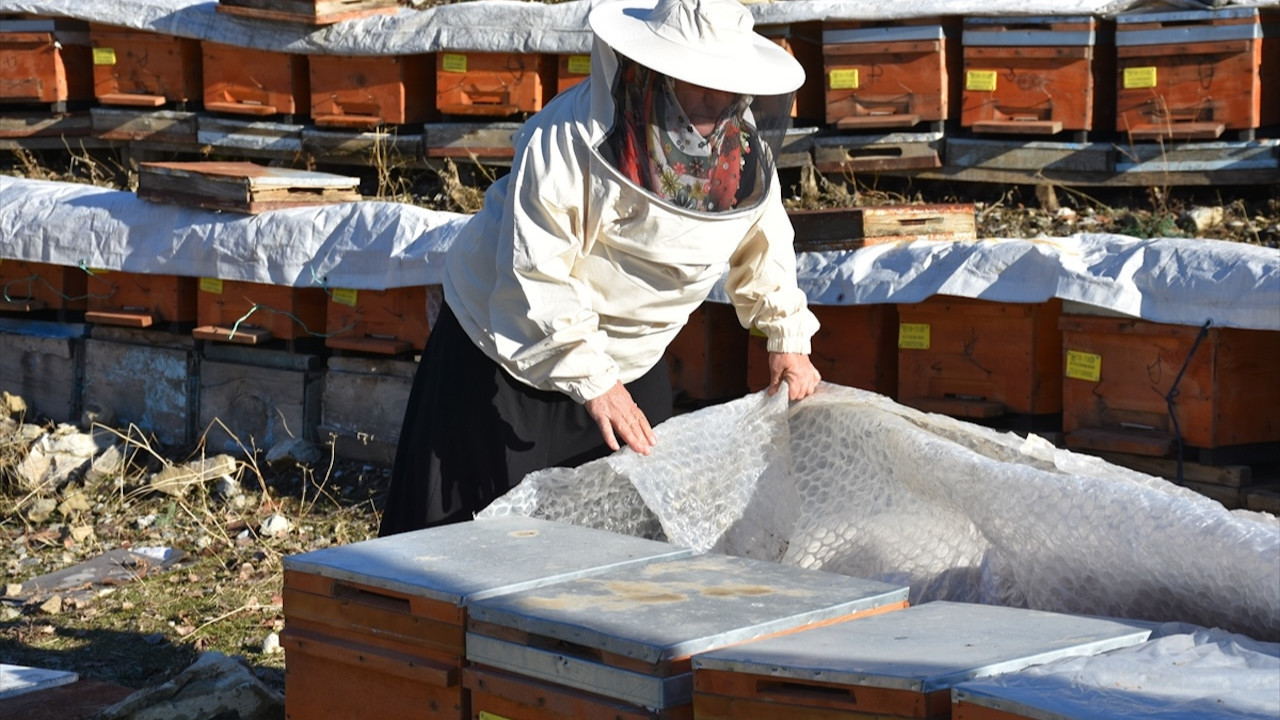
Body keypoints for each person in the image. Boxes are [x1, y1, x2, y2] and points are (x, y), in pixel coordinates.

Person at [378, 0, 822, 536]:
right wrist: (594, 383)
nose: (718, 97)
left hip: (629, 358)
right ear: (663, 69)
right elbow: (536, 273)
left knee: (624, 540)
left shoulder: (738, 148)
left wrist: (786, 337)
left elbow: (764, 236)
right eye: (702, 81)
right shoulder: (568, 137)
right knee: (476, 541)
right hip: (507, 348)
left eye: (727, 82)